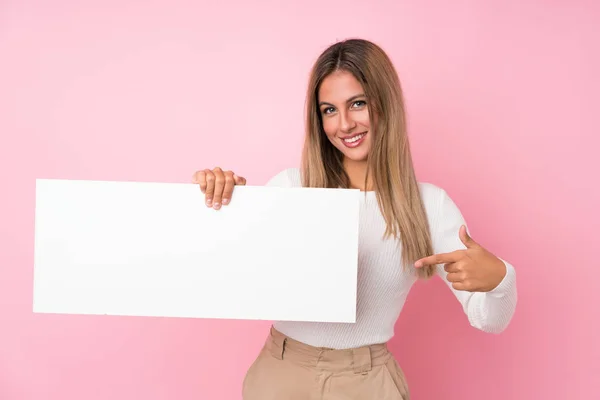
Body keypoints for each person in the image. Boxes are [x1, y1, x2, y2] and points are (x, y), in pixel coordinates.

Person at [191, 38, 517, 400]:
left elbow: (490, 319)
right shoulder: (290, 188)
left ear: (385, 104)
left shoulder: (429, 205)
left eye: (357, 104)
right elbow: (229, 273)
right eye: (329, 110)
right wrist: (220, 201)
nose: (344, 124)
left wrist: (500, 279)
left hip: (368, 382)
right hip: (280, 374)